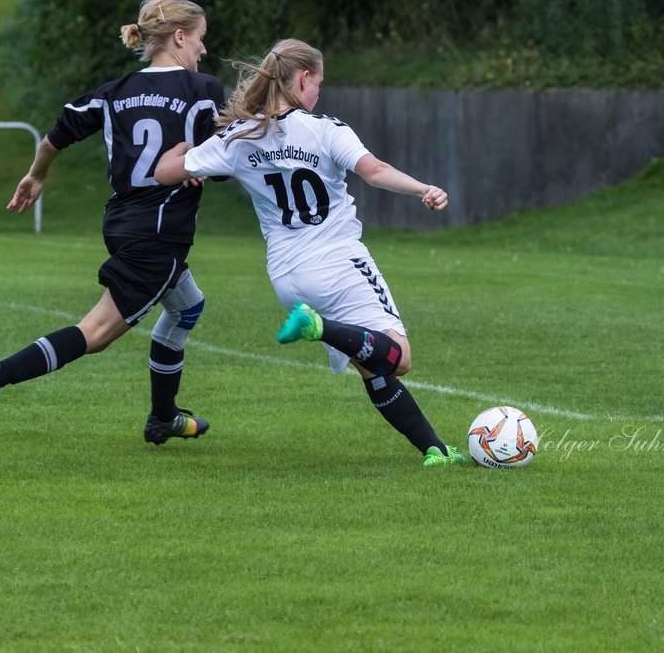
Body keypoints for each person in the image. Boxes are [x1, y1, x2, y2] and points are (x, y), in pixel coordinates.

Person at [154, 38, 467, 467]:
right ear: (303, 78)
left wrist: (183, 152)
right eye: (318, 82)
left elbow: (166, 173)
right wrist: (423, 188)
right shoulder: (325, 129)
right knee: (398, 356)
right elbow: (374, 171)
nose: (319, 92)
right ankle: (318, 327)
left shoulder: (239, 136)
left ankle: (434, 450)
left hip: (286, 276)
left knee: (370, 362)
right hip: (338, 262)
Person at [0, 0, 225, 445]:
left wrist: (36, 175)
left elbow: (58, 130)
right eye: (200, 39)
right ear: (179, 37)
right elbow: (225, 160)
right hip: (158, 234)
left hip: (123, 223)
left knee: (187, 306)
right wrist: (196, 161)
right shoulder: (204, 90)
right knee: (95, 333)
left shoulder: (116, 91)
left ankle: (162, 416)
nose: (203, 49)